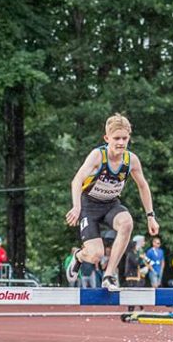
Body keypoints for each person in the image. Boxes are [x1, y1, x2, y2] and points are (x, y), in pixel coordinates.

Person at [65, 113, 159, 291]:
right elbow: (77, 181)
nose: (121, 143)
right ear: (107, 138)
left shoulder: (131, 160)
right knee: (95, 255)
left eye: (124, 138)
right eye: (116, 138)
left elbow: (143, 186)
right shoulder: (97, 156)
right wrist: (76, 207)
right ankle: (78, 256)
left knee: (127, 223)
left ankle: (108, 276)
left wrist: (150, 216)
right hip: (89, 206)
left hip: (110, 205)